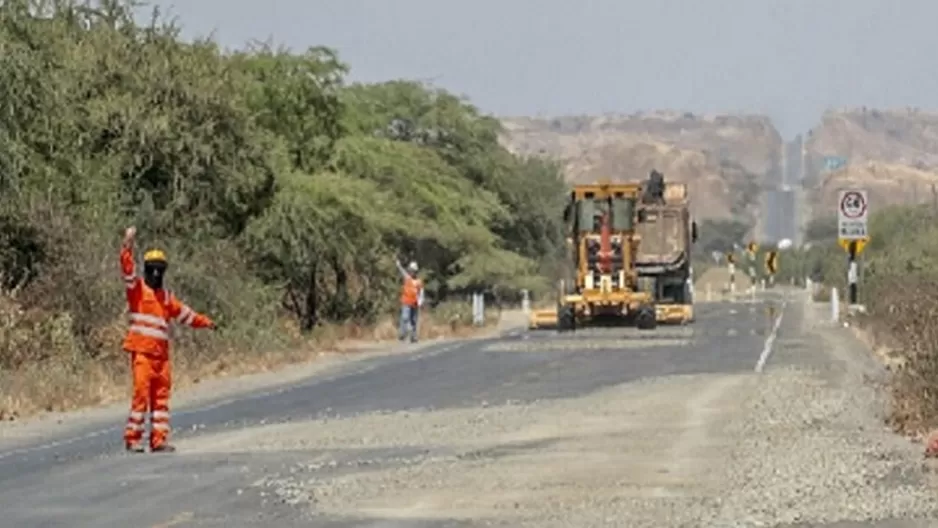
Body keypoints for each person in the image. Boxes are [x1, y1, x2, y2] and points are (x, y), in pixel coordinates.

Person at [119, 226, 216, 453]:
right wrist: (127, 245)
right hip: (142, 353)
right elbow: (127, 271)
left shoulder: (167, 298)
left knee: (161, 399)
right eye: (152, 269)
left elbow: (186, 315)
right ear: (147, 269)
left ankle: (158, 440)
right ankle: (132, 438)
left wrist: (206, 322)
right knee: (141, 396)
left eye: (159, 269)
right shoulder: (137, 290)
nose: (156, 274)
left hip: (161, 357)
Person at [395, 258, 424, 342]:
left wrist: (420, 301)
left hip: (415, 303)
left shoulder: (419, 281)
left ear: (416, 271)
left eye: (414, 271)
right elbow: (402, 271)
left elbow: (421, 292)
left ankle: (413, 337)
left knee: (413, 320)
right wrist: (399, 265)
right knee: (405, 318)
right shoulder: (407, 278)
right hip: (406, 302)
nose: (412, 272)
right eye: (411, 270)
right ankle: (402, 334)